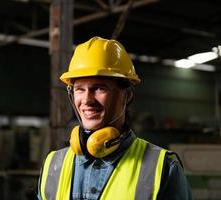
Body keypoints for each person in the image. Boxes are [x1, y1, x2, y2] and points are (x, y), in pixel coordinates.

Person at [38, 36, 192, 199]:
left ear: (127, 97)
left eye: (99, 88)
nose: (87, 100)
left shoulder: (162, 168)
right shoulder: (53, 166)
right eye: (80, 89)